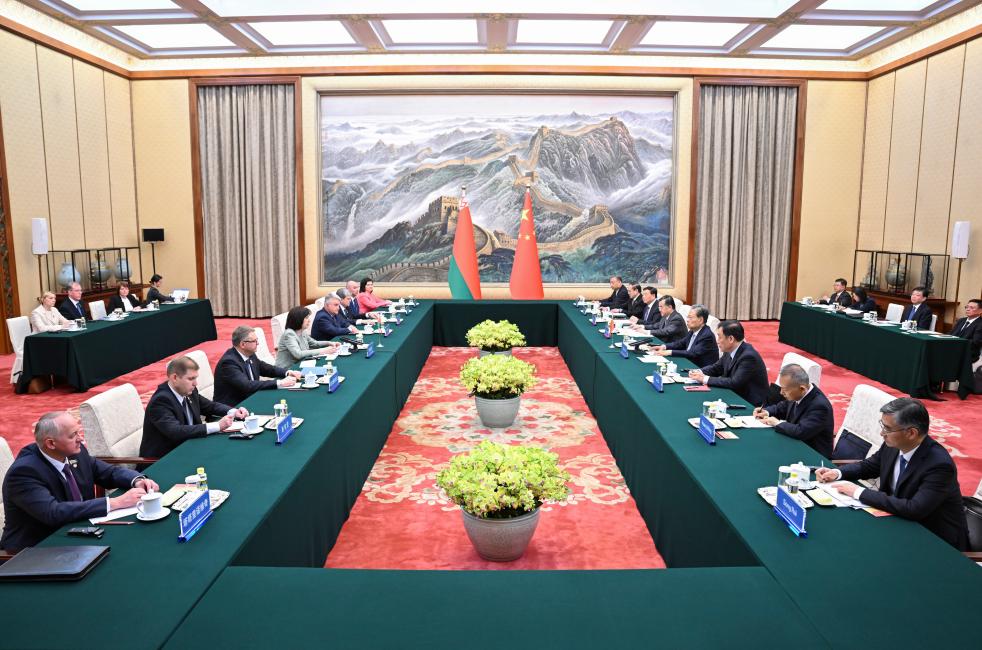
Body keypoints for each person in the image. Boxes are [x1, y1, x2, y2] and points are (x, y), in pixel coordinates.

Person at [816, 397, 969, 550]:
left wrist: (858, 492)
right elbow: (870, 466)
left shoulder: (939, 465)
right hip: (897, 521)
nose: (882, 433)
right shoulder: (894, 443)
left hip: (934, 541)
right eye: (882, 426)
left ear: (911, 433)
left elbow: (914, 509)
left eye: (888, 429)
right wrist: (837, 473)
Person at [1, 411, 159, 552]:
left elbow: (106, 472)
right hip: (35, 551)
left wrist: (136, 480)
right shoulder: (24, 472)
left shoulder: (74, 451)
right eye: (73, 435)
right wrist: (116, 502)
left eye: (79, 432)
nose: (80, 439)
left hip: (80, 532)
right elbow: (53, 512)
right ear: (51, 443)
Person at [139, 356, 247, 465]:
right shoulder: (161, 401)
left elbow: (210, 406)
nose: (195, 383)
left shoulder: (189, 391)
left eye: (195, 378)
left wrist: (233, 412)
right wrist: (218, 425)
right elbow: (176, 432)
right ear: (175, 378)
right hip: (164, 461)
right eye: (191, 379)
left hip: (191, 448)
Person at [753, 364, 834, 458]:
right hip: (794, 445)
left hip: (812, 456)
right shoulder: (798, 394)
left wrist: (777, 423)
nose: (781, 392)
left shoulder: (820, 406)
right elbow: (783, 407)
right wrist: (767, 412)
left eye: (785, 389)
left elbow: (801, 431)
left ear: (802, 389)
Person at [213, 326, 300, 406]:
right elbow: (247, 385)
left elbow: (265, 368)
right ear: (242, 344)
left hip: (251, 398)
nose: (258, 343)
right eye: (254, 341)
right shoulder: (229, 362)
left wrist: (287, 372)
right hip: (233, 407)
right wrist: (280, 383)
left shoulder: (249, 353)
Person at [689, 320, 769, 406]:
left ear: (731, 339)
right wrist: (699, 372)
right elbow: (717, 368)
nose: (717, 341)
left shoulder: (748, 357)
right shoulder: (730, 349)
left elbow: (734, 383)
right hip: (735, 395)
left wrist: (705, 379)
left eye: (719, 337)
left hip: (751, 404)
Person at [651, 304, 718, 367]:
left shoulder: (707, 336)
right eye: (687, 317)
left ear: (700, 320)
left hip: (700, 369)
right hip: (689, 363)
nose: (687, 320)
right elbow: (680, 343)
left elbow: (692, 353)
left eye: (690, 318)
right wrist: (664, 346)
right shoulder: (693, 331)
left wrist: (669, 352)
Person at [952, 298, 982, 364]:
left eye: (972, 308)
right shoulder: (961, 320)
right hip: (954, 348)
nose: (968, 309)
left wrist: (956, 343)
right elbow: (951, 333)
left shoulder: (980, 324)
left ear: (980, 311)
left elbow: (975, 342)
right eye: (967, 307)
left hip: (968, 353)